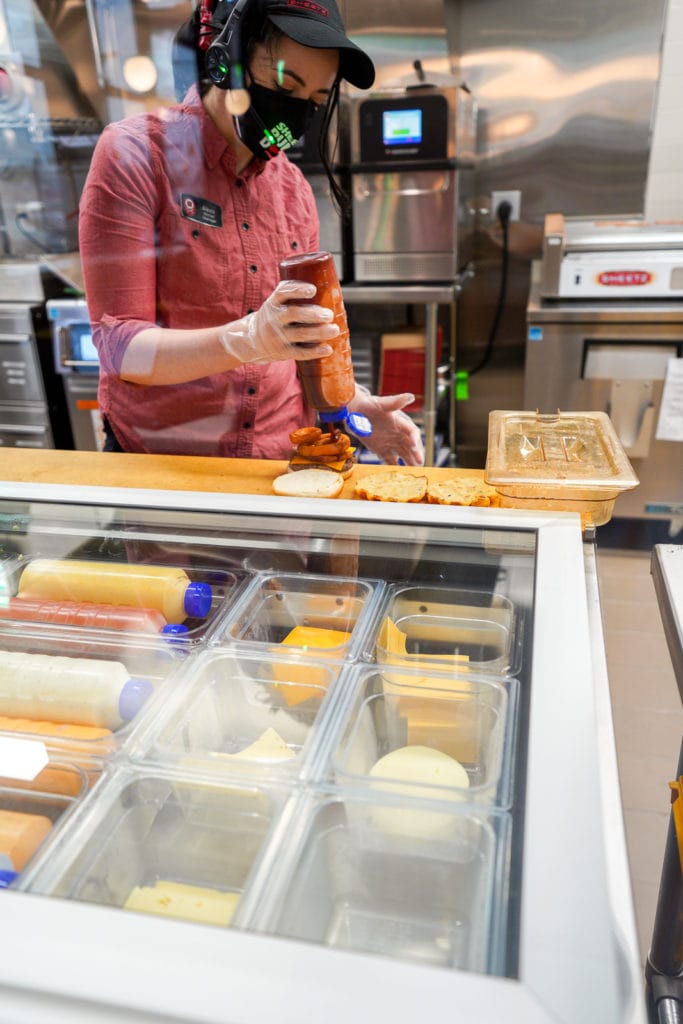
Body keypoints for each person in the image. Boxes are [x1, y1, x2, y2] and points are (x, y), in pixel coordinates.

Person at [78, 0, 424, 465]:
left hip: (278, 462)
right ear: (226, 59)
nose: (296, 114)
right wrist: (247, 339)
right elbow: (120, 350)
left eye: (316, 100)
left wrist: (351, 410)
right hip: (165, 465)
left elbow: (303, 341)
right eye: (284, 84)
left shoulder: (294, 190)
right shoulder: (136, 155)